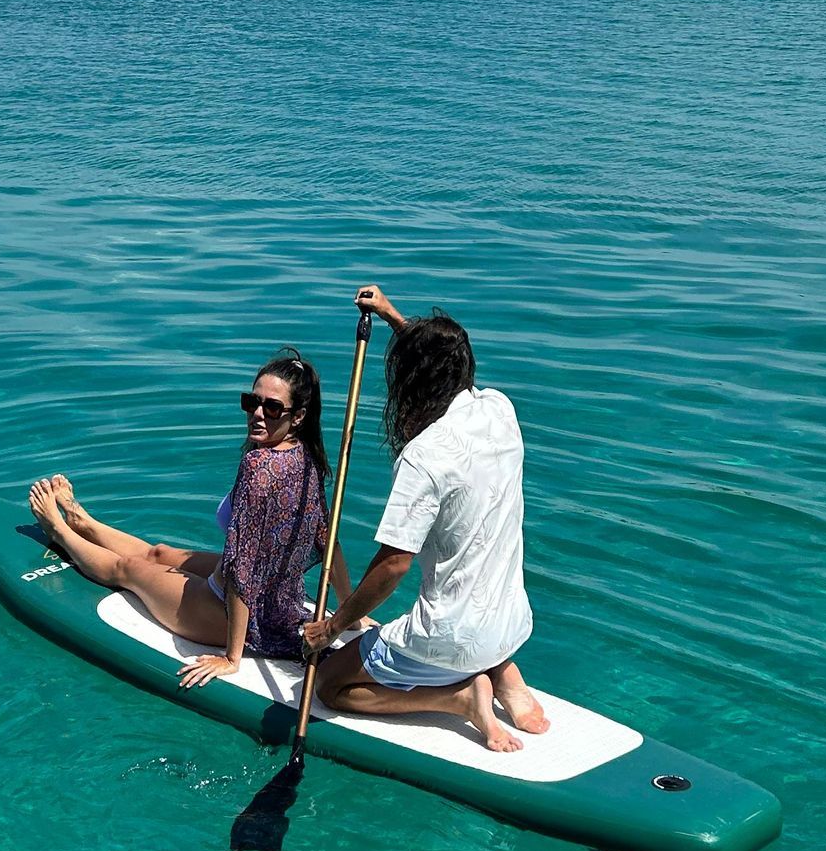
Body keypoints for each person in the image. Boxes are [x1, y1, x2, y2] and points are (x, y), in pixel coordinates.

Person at [302, 285, 549, 753]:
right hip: (513, 624)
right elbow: (441, 361)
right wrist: (391, 314)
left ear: (412, 379)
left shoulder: (424, 457)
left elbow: (394, 564)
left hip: (450, 640)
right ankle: (504, 672)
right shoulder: (499, 410)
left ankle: (457, 698)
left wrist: (333, 628)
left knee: (330, 685)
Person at [28, 352, 348, 688]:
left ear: (297, 416)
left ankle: (60, 530)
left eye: (271, 407)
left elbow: (242, 569)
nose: (256, 413)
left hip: (227, 613)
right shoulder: (307, 457)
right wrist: (346, 610)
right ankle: (84, 521)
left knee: (127, 570)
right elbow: (327, 541)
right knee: (158, 552)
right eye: (251, 401)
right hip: (279, 604)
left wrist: (231, 657)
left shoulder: (258, 470)